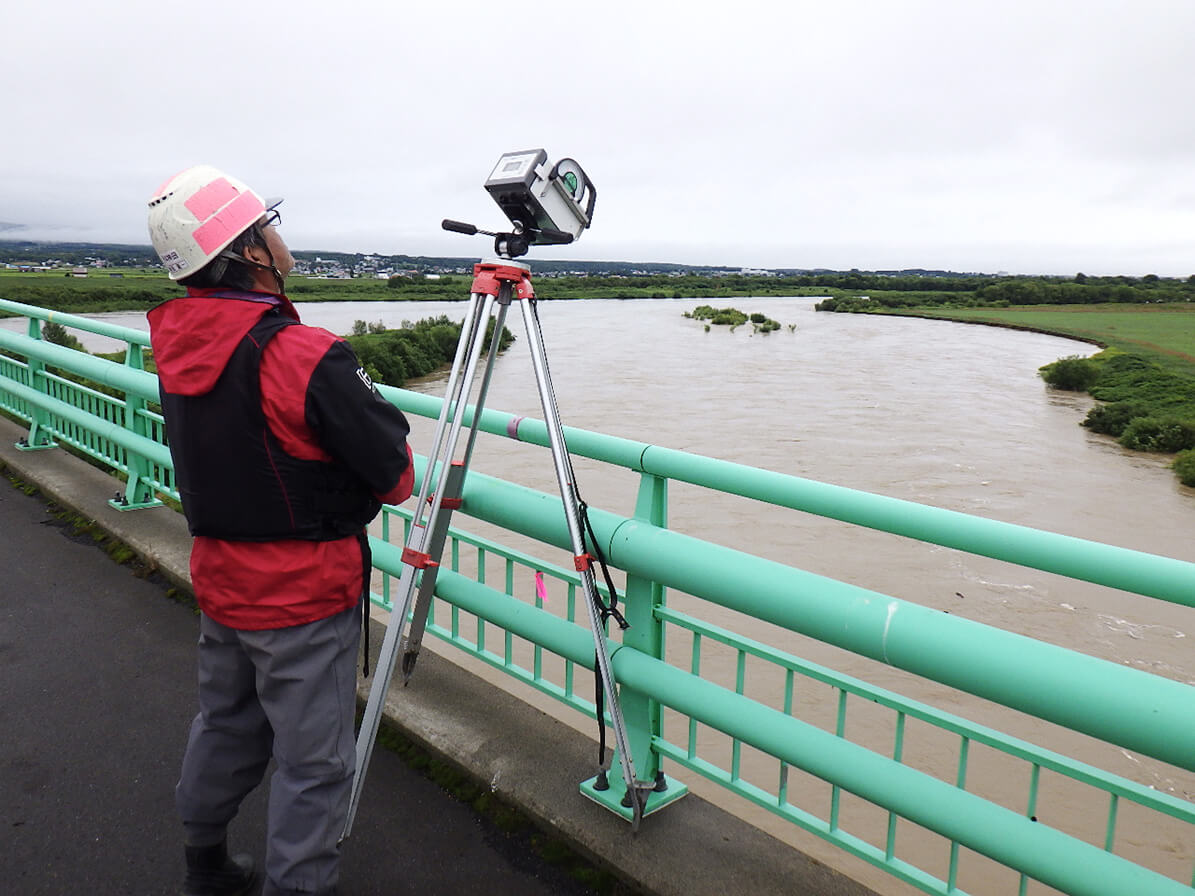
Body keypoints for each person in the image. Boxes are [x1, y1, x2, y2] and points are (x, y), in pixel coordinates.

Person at [145, 165, 415, 896]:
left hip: (222, 576)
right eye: (267, 224)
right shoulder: (302, 354)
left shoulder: (173, 344)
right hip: (304, 592)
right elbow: (395, 477)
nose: (279, 233)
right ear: (248, 252)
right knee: (315, 763)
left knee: (226, 722)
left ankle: (205, 862)